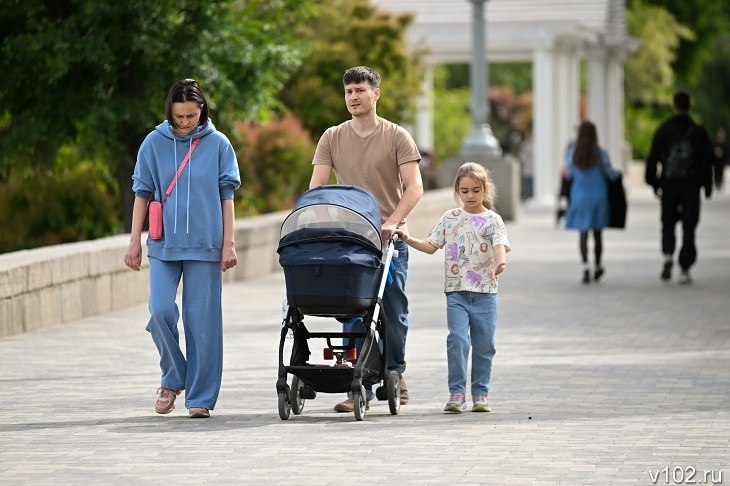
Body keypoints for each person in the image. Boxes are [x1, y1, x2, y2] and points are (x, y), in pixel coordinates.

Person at [124, 79, 241, 418]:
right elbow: (142, 193)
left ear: (202, 109)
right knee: (160, 311)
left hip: (206, 244)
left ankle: (201, 398)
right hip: (163, 243)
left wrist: (228, 243)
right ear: (169, 113)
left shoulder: (218, 144)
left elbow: (227, 196)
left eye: (191, 115)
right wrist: (134, 241)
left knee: (201, 321)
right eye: (179, 116)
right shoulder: (154, 142)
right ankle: (174, 374)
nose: (186, 122)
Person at [309, 65, 423, 412]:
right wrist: (325, 218)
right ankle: (356, 387)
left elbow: (415, 187)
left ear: (376, 93)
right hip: (351, 237)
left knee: (393, 309)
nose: (354, 97)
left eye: (360, 90)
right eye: (348, 92)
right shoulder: (332, 137)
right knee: (352, 308)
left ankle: (395, 370)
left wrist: (393, 220)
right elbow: (318, 187)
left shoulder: (397, 136)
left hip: (390, 238)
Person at [395, 162, 510, 413]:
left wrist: (500, 261)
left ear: (485, 190)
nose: (470, 196)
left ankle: (480, 393)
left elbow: (500, 245)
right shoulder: (450, 218)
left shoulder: (493, 220)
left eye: (476, 190)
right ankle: (456, 393)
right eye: (465, 190)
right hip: (456, 292)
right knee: (457, 341)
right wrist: (408, 238)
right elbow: (431, 245)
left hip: (486, 294)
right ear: (458, 190)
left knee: (484, 345)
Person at [645, 91, 713, 284]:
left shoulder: (664, 130)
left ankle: (668, 255)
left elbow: (653, 159)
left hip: (669, 185)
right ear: (689, 107)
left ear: (674, 106)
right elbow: (707, 161)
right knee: (689, 226)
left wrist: (653, 183)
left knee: (668, 222)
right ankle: (685, 267)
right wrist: (707, 187)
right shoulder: (698, 132)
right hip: (691, 186)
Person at [564, 121, 619, 284]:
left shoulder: (573, 153)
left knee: (583, 233)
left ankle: (585, 267)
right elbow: (611, 174)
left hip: (580, 197)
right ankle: (598, 265)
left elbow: (569, 175)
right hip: (598, 197)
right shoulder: (601, 153)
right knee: (597, 234)